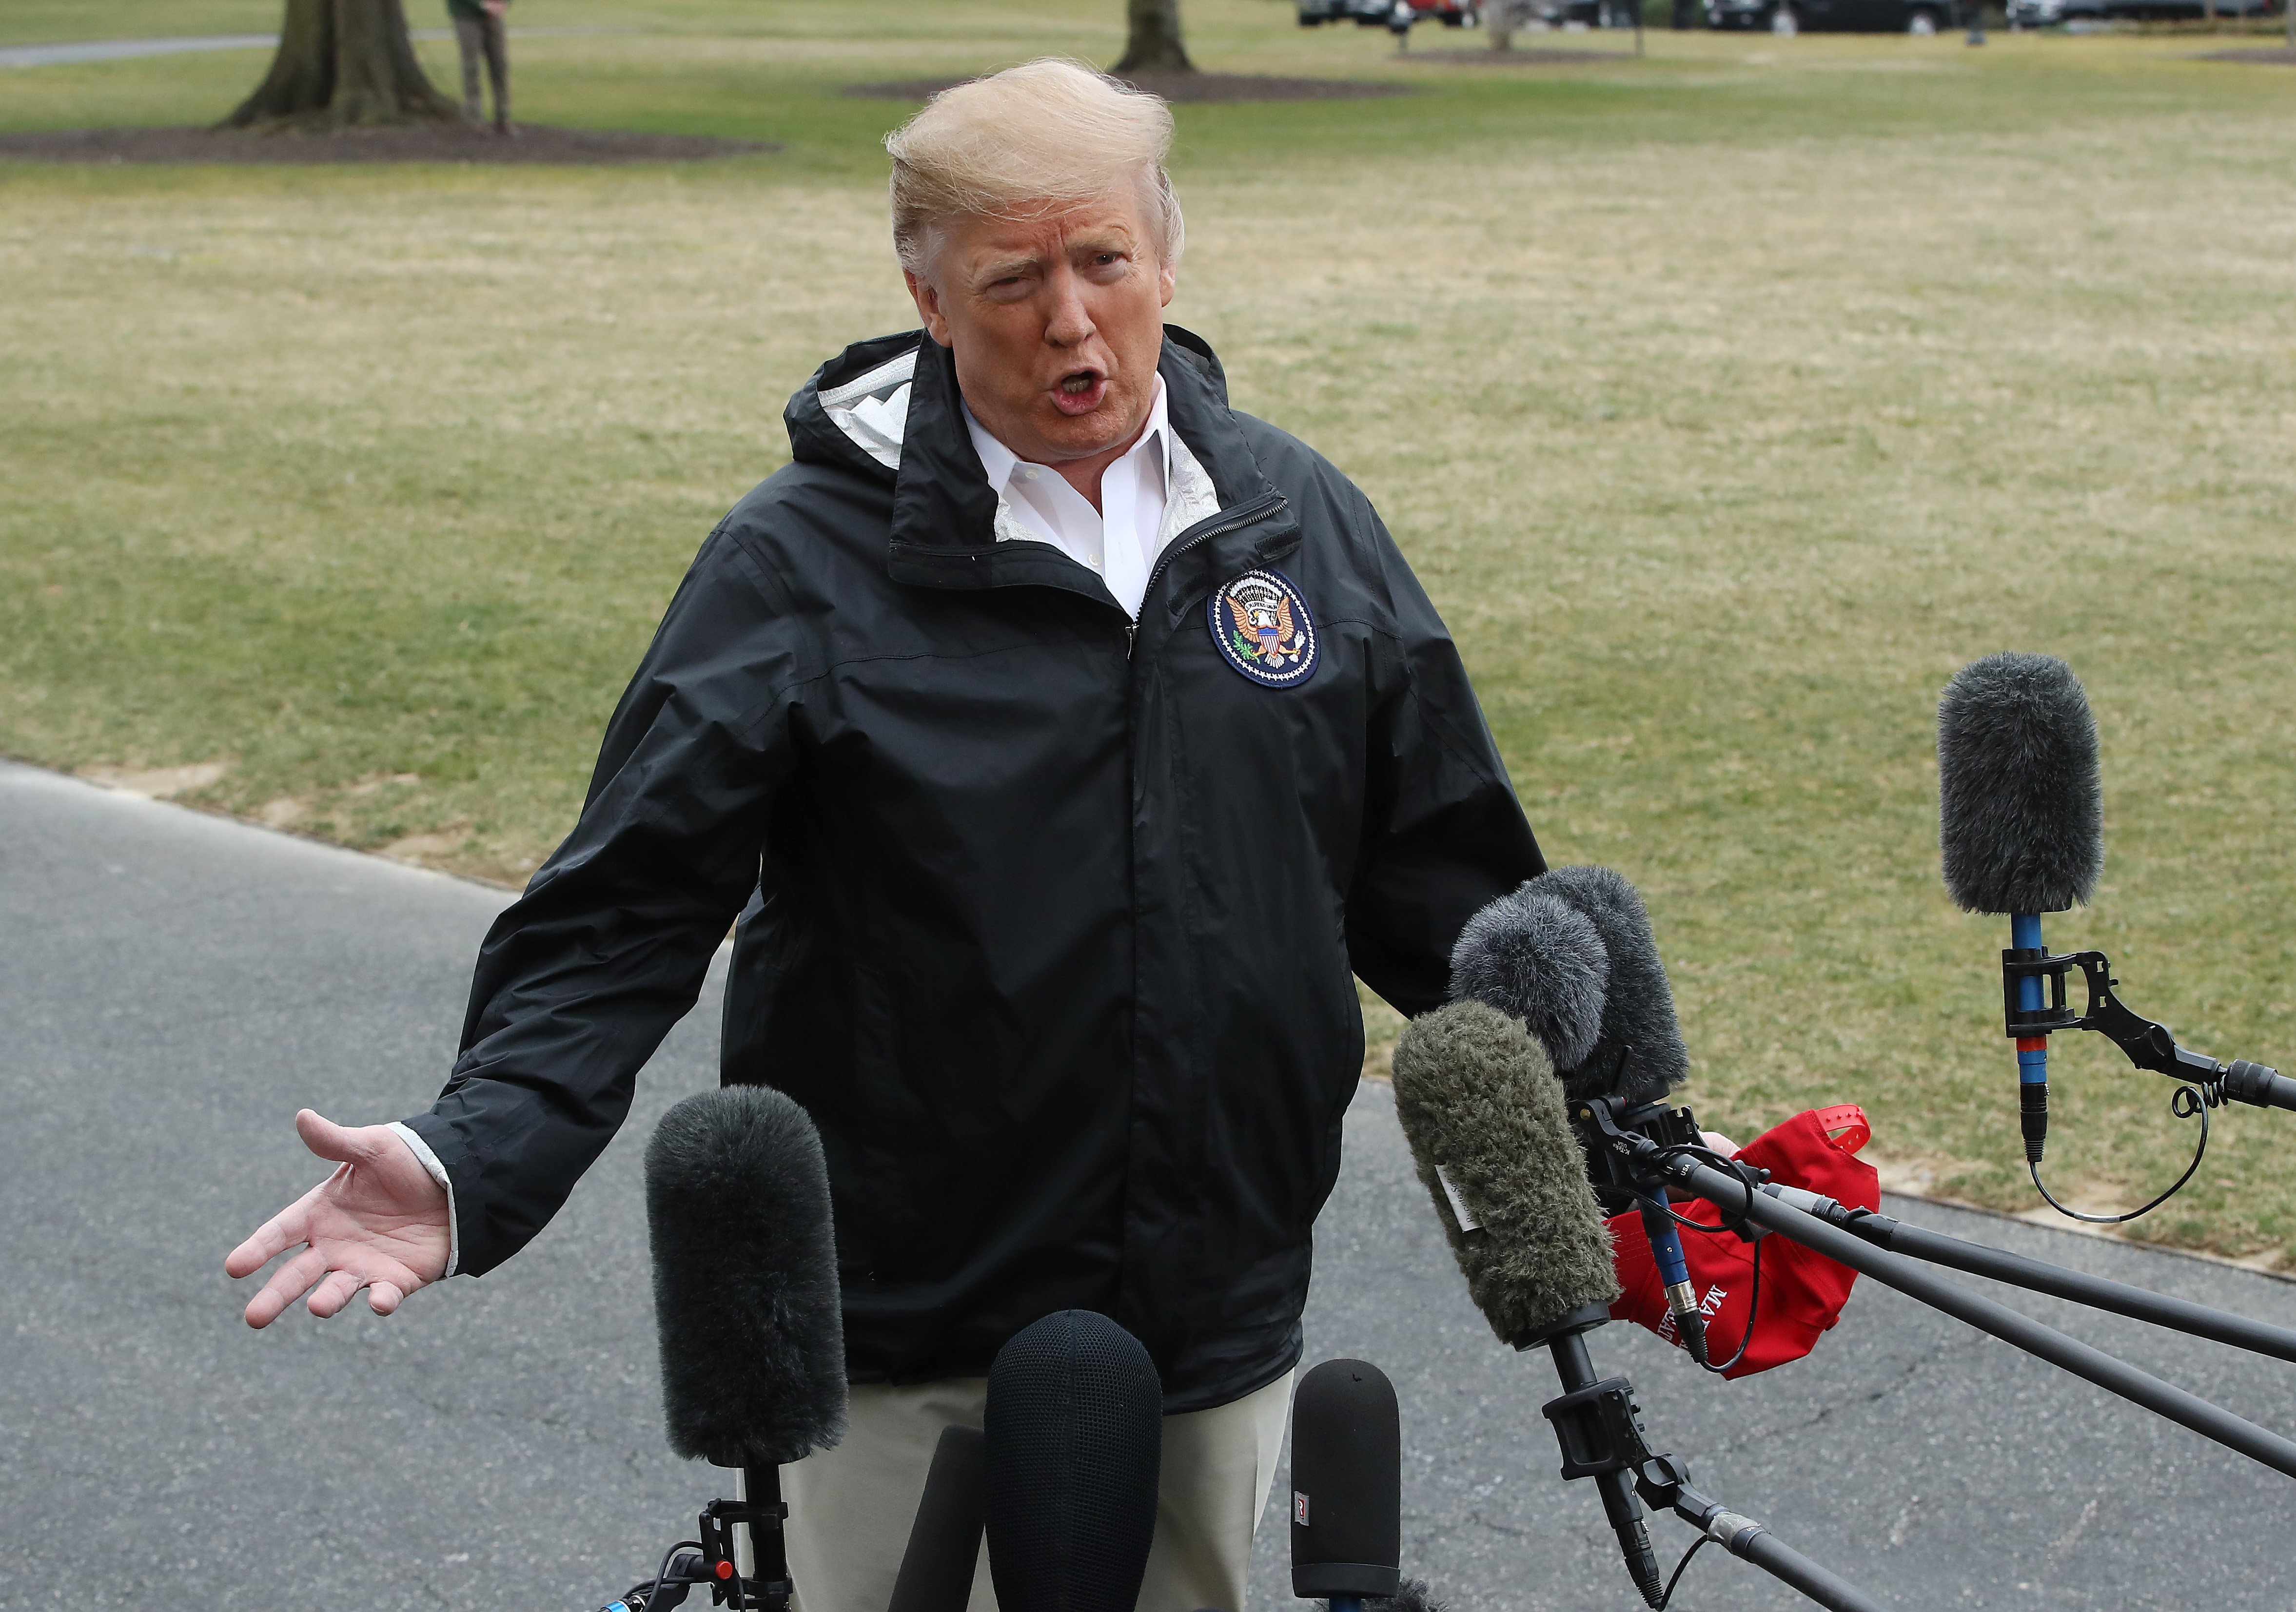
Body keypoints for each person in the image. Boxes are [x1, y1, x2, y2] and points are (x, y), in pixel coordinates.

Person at [225, 58, 1544, 1612]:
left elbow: (1442, 876)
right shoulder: (798, 561)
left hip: (1212, 1318)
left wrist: (1622, 1120)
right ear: (925, 294)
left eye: (1104, 263)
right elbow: (627, 906)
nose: (1071, 319)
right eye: (1014, 280)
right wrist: (469, 1156)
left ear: (1165, 259)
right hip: (912, 1336)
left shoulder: (1294, 520)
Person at [448, 0, 510, 134]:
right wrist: (483, 5)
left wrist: (503, 4)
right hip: (466, 16)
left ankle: (503, 116)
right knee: (472, 68)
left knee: (500, 66)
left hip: (493, 17)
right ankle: (474, 119)